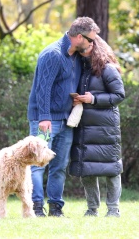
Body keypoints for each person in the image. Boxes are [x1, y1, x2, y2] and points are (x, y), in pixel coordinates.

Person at [27, 17, 100, 217]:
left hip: (66, 121)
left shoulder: (76, 57)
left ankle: (56, 208)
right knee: (37, 165)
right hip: (45, 120)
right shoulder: (52, 54)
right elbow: (43, 90)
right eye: (90, 40)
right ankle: (36, 207)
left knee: (59, 166)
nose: (92, 44)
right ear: (78, 37)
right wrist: (44, 117)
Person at [69, 35, 125, 217]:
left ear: (95, 46)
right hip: (84, 127)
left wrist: (93, 99)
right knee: (87, 169)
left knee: (111, 169)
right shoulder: (81, 69)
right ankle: (92, 209)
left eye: (84, 49)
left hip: (106, 127)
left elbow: (119, 95)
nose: (82, 53)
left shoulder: (107, 69)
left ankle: (113, 209)